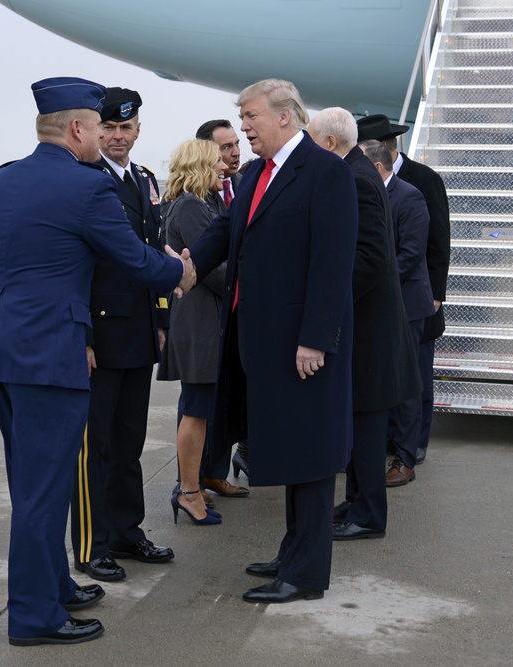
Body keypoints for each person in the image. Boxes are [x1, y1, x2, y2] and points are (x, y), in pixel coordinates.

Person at [0, 76, 195, 646]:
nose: (102, 135)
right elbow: (133, 260)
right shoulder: (88, 189)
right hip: (52, 354)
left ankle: (57, 583)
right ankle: (34, 617)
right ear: (79, 128)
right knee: (44, 489)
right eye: (97, 125)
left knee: (33, 480)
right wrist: (178, 273)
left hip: (2, 354)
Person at [188, 79, 358, 603]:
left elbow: (333, 262)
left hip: (301, 344)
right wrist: (186, 264)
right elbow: (226, 234)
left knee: (308, 456)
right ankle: (293, 551)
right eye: (241, 119)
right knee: (288, 450)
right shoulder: (258, 174)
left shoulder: (325, 172)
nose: (244, 128)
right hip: (264, 342)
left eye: (251, 117)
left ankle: (305, 575)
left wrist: (316, 339)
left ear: (286, 116)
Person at [70, 87, 177, 583]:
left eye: (125, 128)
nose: (117, 136)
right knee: (97, 445)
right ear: (96, 130)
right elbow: (79, 268)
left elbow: (152, 251)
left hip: (136, 332)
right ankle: (92, 545)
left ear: (138, 131)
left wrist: (161, 323)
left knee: (130, 441)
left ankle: (126, 530)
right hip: (100, 334)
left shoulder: (146, 180)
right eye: (109, 128)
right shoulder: (84, 180)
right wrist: (84, 335)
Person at [306, 109, 420, 540]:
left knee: (369, 428)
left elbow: (370, 258)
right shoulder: (356, 170)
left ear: (330, 143)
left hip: (369, 328)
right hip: (368, 325)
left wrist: (329, 302)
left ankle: (368, 514)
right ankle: (357, 500)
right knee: (360, 423)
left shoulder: (353, 177)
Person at [357, 115, 451, 466]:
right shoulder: (370, 184)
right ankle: (391, 442)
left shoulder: (421, 183)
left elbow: (435, 243)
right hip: (385, 298)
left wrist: (435, 294)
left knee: (416, 378)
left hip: (412, 296)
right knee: (391, 376)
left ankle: (410, 448)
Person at [158, 139, 235, 524]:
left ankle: (194, 487)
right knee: (196, 410)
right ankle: (189, 492)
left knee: (200, 407)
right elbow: (212, 266)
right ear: (200, 165)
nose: (224, 166)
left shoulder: (203, 203)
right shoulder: (190, 206)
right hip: (200, 321)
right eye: (217, 161)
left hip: (204, 319)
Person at [194, 119, 251, 498]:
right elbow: (209, 262)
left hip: (234, 312)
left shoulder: (239, 187)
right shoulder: (197, 200)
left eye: (235, 145)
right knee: (203, 404)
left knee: (230, 397)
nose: (233, 153)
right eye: (225, 148)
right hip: (214, 311)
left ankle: (223, 464)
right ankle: (201, 477)